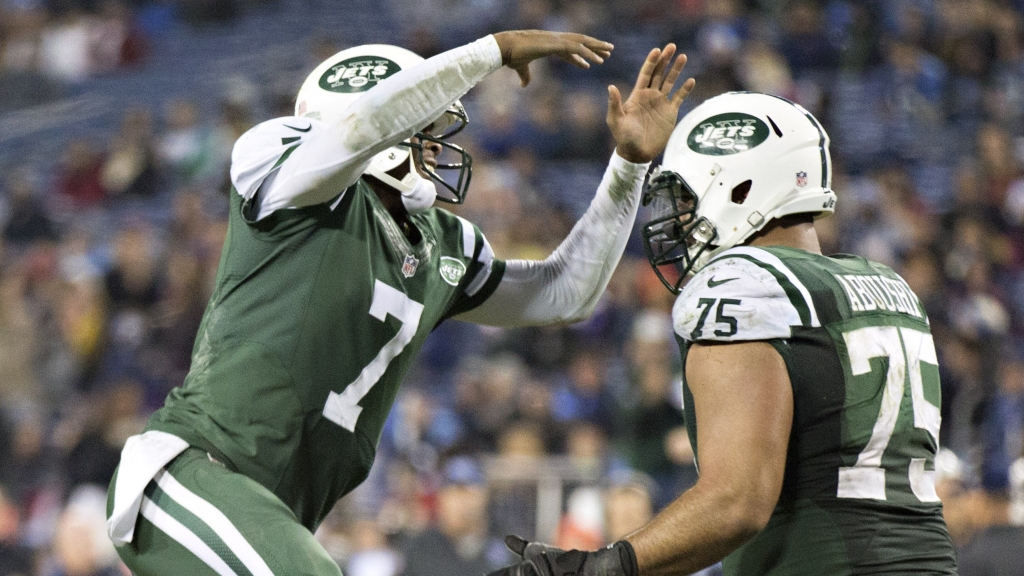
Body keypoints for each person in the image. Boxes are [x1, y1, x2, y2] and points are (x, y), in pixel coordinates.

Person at [105, 29, 696, 576]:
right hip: (192, 474)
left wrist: (629, 165)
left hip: (275, 515)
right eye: (427, 129)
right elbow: (358, 131)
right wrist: (493, 49)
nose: (439, 149)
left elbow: (568, 292)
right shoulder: (279, 170)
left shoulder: (443, 243)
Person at [487, 92, 957, 575]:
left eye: (688, 197)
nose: (681, 218)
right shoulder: (886, 284)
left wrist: (600, 567)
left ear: (741, 187)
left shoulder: (743, 284)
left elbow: (737, 502)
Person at [400, 456, 503, 576]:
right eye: (452, 494)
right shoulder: (422, 546)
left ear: (484, 497)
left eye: (466, 493)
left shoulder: (505, 545)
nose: (460, 503)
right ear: (441, 499)